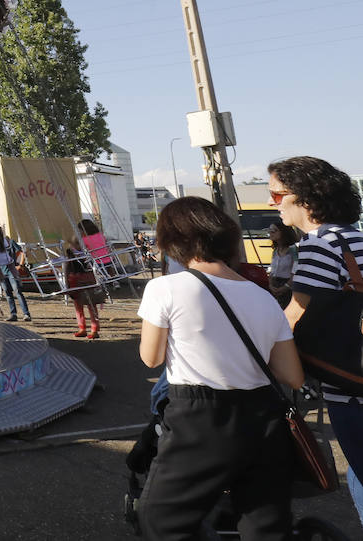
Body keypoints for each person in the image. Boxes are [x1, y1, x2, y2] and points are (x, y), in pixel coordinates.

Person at [136, 196, 303, 538]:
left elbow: (151, 358)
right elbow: (293, 376)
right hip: (264, 420)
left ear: (174, 242)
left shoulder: (165, 288)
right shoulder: (264, 298)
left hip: (199, 419)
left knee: (162, 521)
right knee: (266, 526)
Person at [271, 156, 363, 529]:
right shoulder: (357, 238)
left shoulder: (320, 244)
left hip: (351, 384)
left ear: (306, 200)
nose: (273, 204)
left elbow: (294, 316)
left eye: (278, 195)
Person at [67, 219, 110, 339]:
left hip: (86, 270)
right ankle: (94, 328)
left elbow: (74, 251)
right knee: (91, 302)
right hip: (100, 269)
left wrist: (72, 243)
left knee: (78, 300)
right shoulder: (101, 236)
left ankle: (82, 327)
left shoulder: (83, 240)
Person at [0, 224, 31, 322]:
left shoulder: (4, 241)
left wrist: (20, 264)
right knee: (9, 292)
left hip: (7, 268)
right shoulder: (3, 241)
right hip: (4, 268)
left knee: (16, 291)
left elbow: (21, 251)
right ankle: (14, 313)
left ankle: (25, 313)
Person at [265, 219, 298, 306]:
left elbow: (295, 270)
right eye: (269, 231)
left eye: (274, 231)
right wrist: (270, 284)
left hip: (287, 284)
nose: (270, 233)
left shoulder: (293, 249)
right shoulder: (276, 250)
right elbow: (272, 269)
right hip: (275, 283)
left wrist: (286, 286)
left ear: (283, 232)